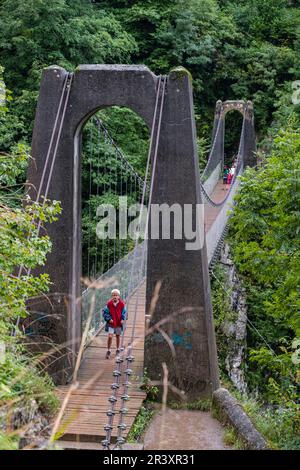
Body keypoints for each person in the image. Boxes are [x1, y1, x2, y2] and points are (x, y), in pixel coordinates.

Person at [102, 289, 127, 359]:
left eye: (116, 295)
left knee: (118, 336)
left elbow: (125, 313)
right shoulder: (109, 304)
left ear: (119, 296)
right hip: (111, 323)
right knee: (110, 336)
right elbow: (105, 313)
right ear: (111, 296)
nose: (115, 297)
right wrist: (109, 319)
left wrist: (122, 319)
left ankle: (117, 349)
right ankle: (108, 350)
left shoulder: (122, 304)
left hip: (118, 323)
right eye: (113, 295)